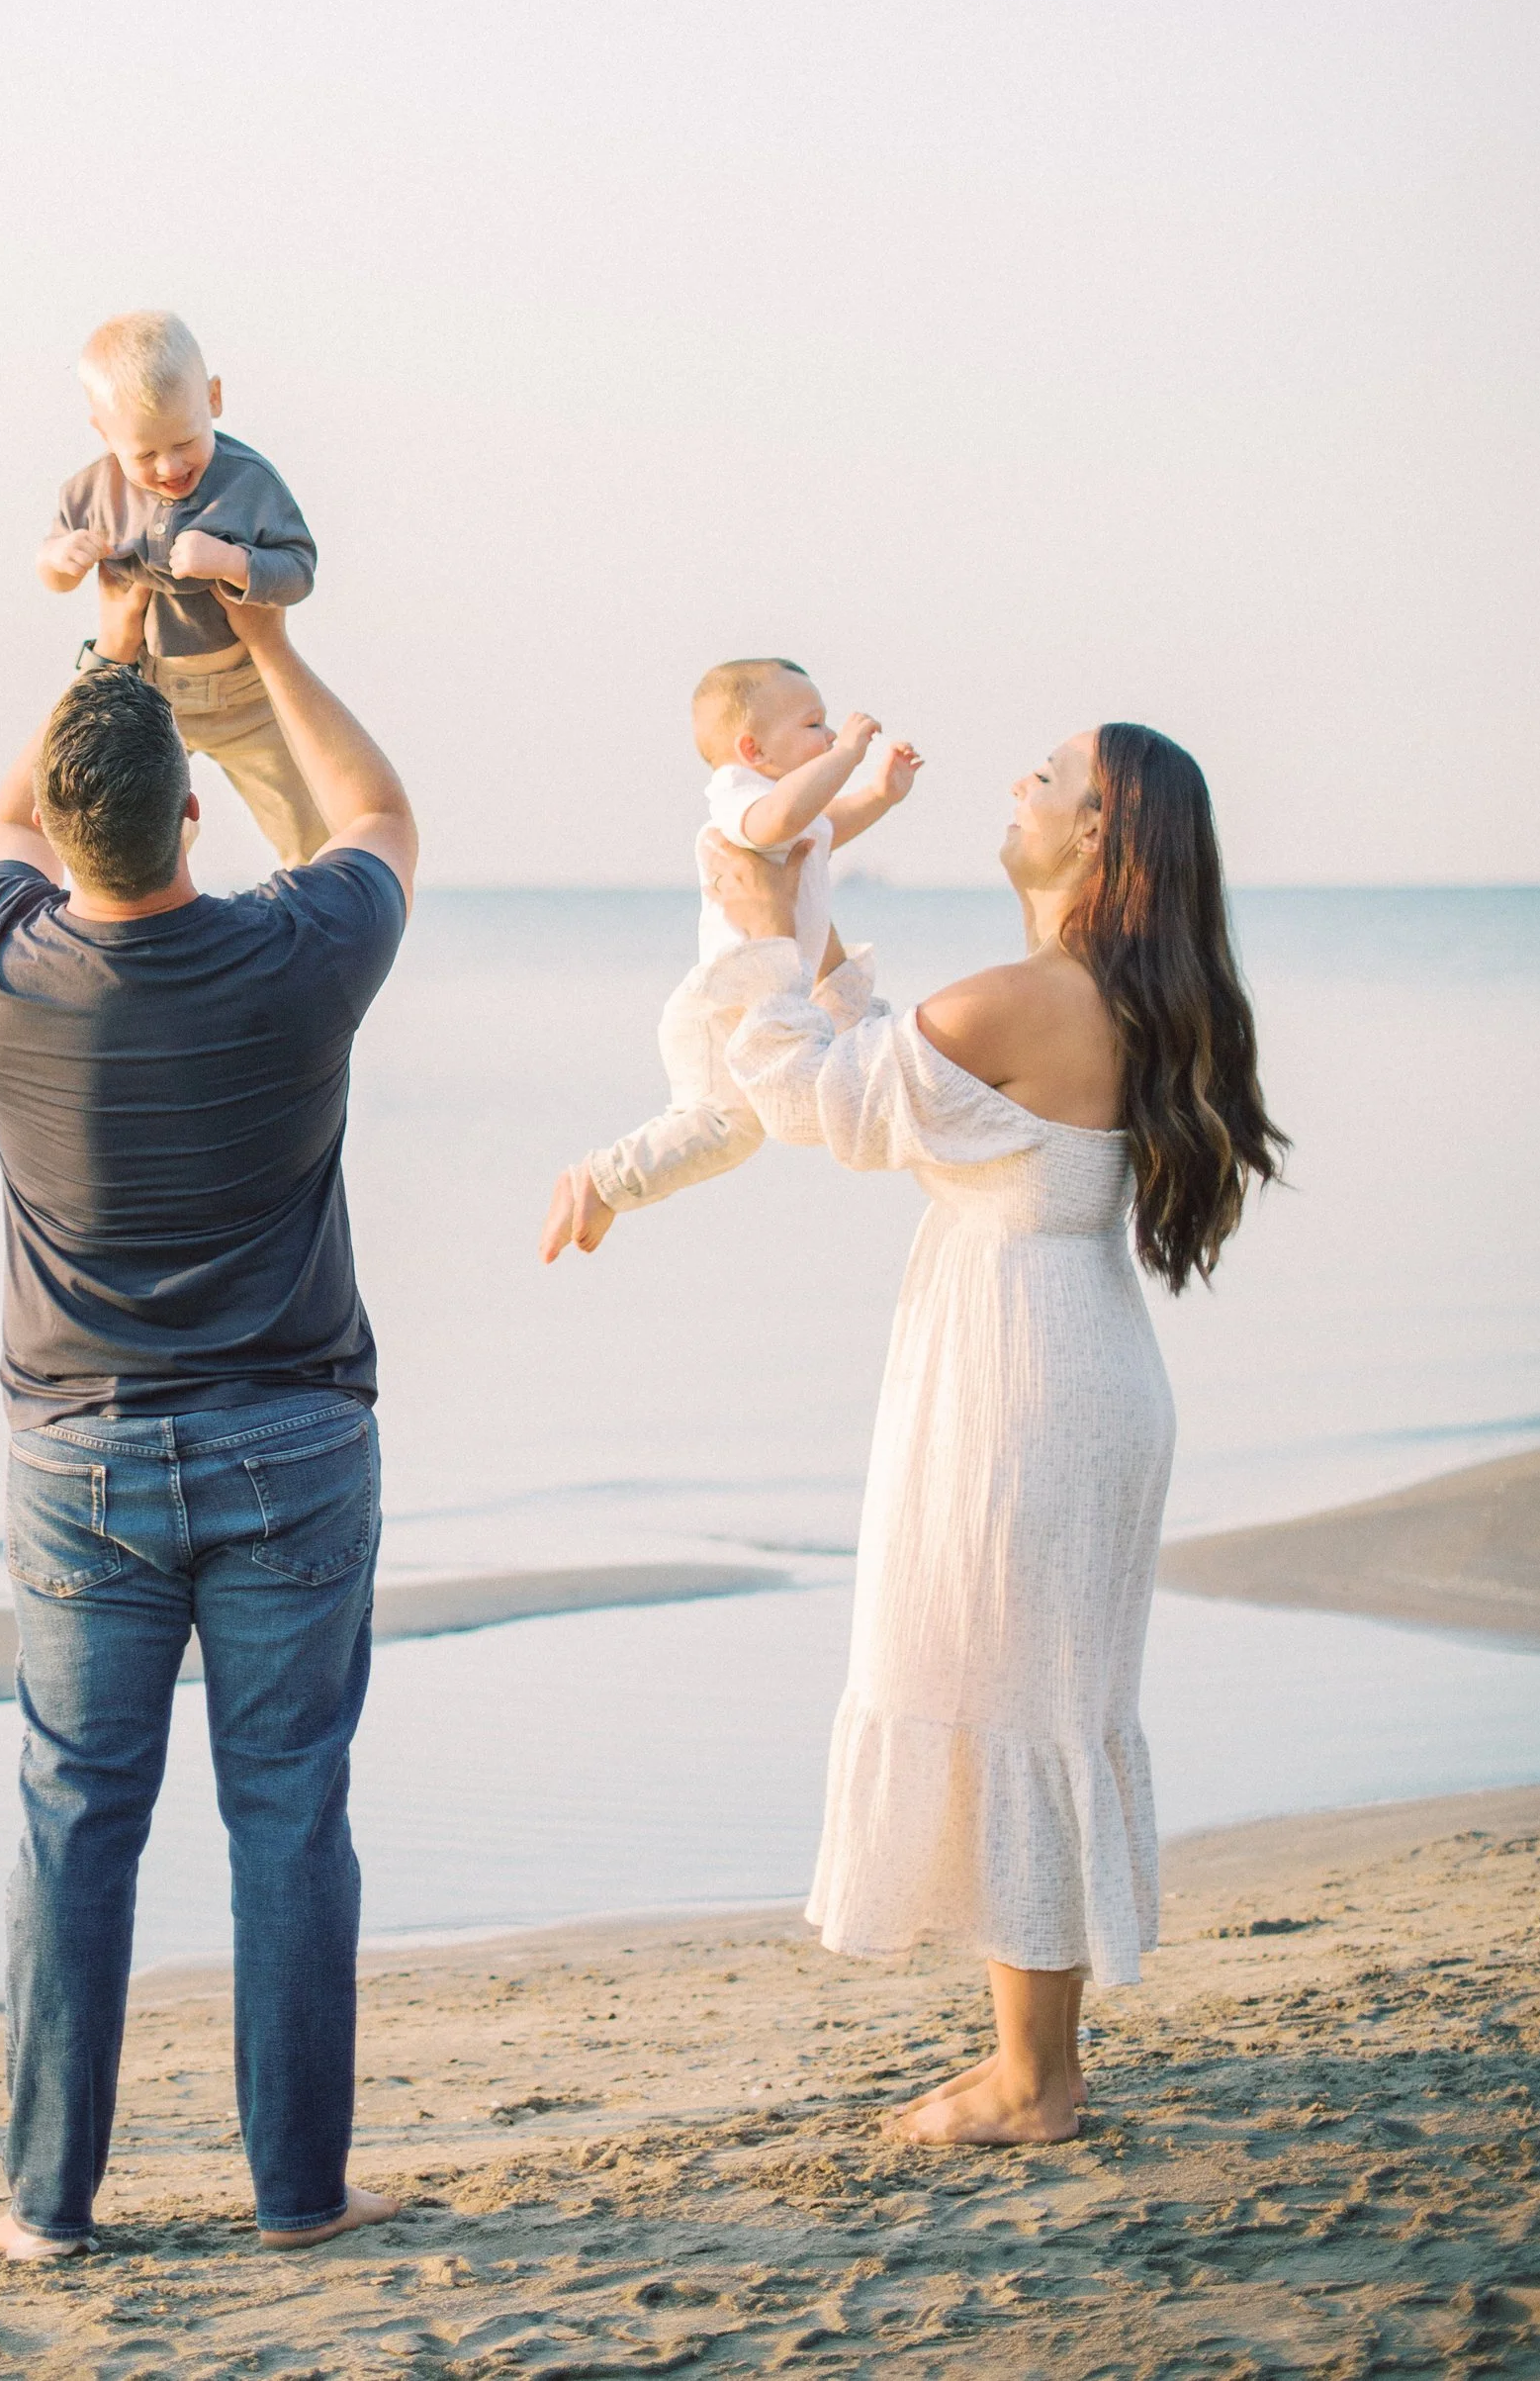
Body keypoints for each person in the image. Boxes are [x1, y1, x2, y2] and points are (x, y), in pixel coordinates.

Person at [687, 727, 1285, 2143]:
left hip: (1020, 1376)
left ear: (1099, 838)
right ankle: (1034, 2058)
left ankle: (1033, 2079)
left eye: (1049, 775)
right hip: (1077, 1348)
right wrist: (808, 926)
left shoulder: (1027, 999)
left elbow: (808, 1095)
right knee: (1041, 1696)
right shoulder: (1119, 995)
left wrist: (761, 928)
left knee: (1015, 1695)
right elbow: (887, 1072)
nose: (1018, 782)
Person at [0, 562, 415, 2257]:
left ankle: (46, 2204)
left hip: (78, 1459)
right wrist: (264, 639)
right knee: (287, 1809)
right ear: (197, 811)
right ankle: (297, 2191)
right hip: (293, 1440)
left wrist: (102, 652)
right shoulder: (301, 950)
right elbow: (374, 807)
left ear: (66, 832)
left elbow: (7, 805)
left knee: (77, 1816)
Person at [537, 659, 921, 1254]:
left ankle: (606, 1187)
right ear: (752, 749)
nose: (825, 736)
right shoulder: (741, 797)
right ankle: (599, 1181)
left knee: (733, 1127)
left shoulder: (784, 805)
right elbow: (783, 821)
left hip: (750, 1001)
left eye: (826, 727)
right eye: (813, 724)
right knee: (724, 1126)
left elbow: (822, 826)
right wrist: (844, 756)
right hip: (721, 1007)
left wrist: (878, 794)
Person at [37, 308, 326, 865]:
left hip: (244, 692)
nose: (169, 467)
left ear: (213, 400)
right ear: (103, 431)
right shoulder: (91, 493)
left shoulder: (249, 482)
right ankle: (153, 889)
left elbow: (299, 570)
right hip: (147, 694)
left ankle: (314, 907)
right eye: (144, 454)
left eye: (185, 441)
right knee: (114, 818)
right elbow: (50, 571)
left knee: (305, 824)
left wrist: (233, 561)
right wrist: (61, 561)